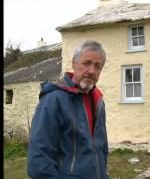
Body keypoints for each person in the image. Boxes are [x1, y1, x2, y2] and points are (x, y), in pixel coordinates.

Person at [28, 40, 109, 179]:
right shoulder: (53, 100)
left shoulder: (98, 102)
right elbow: (39, 162)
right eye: (86, 63)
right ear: (74, 63)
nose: (92, 71)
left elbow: (101, 150)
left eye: (98, 66)